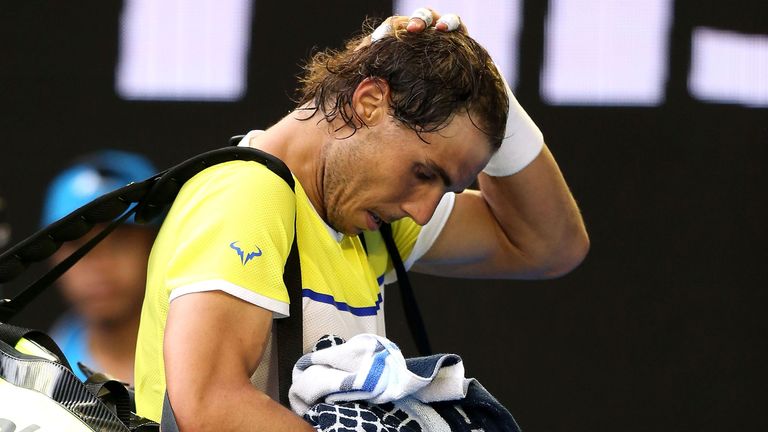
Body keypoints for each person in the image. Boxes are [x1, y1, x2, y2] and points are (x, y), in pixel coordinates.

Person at [134, 9, 589, 430]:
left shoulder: (366, 218)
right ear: (370, 100)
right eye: (424, 173)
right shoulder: (248, 194)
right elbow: (208, 406)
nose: (423, 209)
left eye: (443, 187)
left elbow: (551, 245)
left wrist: (484, 87)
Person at [43, 150, 158, 384]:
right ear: (51, 258)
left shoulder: (213, 356)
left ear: (156, 246)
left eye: (119, 242)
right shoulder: (34, 379)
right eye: (78, 246)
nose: (100, 266)